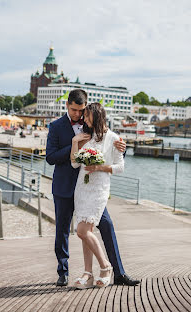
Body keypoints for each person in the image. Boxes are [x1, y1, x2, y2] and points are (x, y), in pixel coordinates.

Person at [46, 89, 140, 287]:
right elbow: (50, 157)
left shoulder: (90, 122)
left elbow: (107, 142)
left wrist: (124, 146)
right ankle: (63, 273)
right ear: (67, 105)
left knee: (107, 227)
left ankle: (118, 272)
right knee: (62, 231)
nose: (78, 115)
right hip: (65, 187)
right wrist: (74, 144)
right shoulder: (55, 127)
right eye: (74, 110)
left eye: (81, 111)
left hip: (91, 190)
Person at [71, 102, 125, 288]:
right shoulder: (87, 136)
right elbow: (74, 164)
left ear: (96, 115)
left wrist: (99, 167)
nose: (84, 119)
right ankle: (88, 273)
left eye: (86, 115)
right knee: (87, 233)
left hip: (99, 190)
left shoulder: (114, 138)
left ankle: (105, 267)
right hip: (82, 188)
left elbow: (120, 167)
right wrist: (75, 142)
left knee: (82, 231)